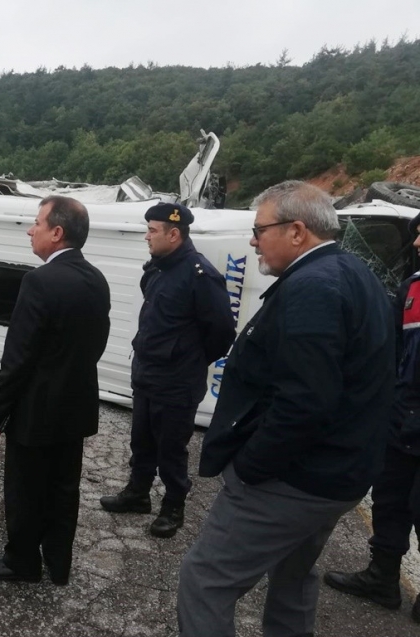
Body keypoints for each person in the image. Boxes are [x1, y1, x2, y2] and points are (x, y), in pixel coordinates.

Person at [176, 181, 395, 637]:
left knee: (206, 581)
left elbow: (305, 401)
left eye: (260, 229)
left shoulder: (314, 287)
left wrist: (252, 468)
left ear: (297, 231)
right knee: (293, 576)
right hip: (340, 472)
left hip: (295, 479)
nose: (253, 240)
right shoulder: (353, 271)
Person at [0, 195, 110, 586]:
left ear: (57, 232)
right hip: (76, 405)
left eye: (36, 222)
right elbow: (96, 343)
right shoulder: (95, 278)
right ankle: (58, 562)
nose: (30, 230)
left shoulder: (39, 281)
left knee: (25, 489)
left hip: (36, 410)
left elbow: (18, 356)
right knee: (63, 488)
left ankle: (21, 562)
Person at [100, 202, 235, 538]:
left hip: (177, 382)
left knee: (171, 448)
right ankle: (137, 494)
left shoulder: (200, 275)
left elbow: (222, 333)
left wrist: (189, 361)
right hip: (148, 373)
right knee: (141, 440)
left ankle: (173, 507)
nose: (147, 236)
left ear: (174, 234)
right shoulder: (160, 268)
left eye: (152, 231)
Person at [322, 211, 420, 625]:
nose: (416, 244)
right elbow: (393, 353)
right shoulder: (411, 289)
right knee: (390, 499)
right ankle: (382, 579)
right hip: (401, 420)